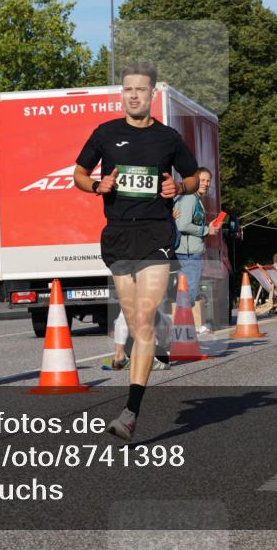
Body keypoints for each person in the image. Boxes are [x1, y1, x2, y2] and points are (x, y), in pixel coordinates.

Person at [73, 62, 199, 441]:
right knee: (138, 323)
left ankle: (130, 412)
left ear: (152, 94)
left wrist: (178, 188)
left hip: (156, 233)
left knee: (141, 321)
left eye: (140, 90)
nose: (133, 95)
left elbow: (192, 177)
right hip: (117, 237)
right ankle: (158, 331)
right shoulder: (105, 133)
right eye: (127, 88)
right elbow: (78, 174)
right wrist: (98, 186)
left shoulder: (169, 138)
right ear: (122, 93)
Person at [174, 166, 219, 334]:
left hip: (191, 252)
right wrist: (206, 230)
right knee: (188, 291)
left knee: (188, 290)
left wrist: (209, 227)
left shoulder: (195, 198)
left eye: (208, 181)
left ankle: (187, 325)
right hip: (188, 253)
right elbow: (182, 224)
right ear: (194, 181)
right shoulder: (190, 199)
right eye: (202, 180)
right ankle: (185, 327)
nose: (206, 184)